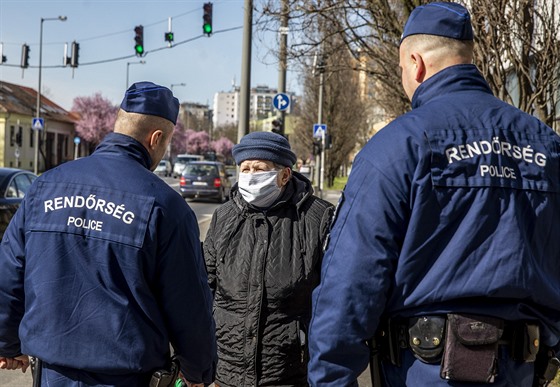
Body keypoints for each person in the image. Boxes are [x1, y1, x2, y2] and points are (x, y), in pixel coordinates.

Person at [308, 2, 560, 386]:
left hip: (425, 371)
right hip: (522, 369)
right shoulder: (546, 146)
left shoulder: (397, 146)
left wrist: (330, 377)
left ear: (416, 63)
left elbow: (352, 279)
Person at [0, 81, 216, 386]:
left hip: (52, 375)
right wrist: (198, 370)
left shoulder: (44, 187)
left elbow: (9, 271)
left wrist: (7, 343)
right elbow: (189, 303)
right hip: (127, 377)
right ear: (156, 138)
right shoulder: (166, 206)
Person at [203, 131, 334, 387]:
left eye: (259, 168)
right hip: (227, 372)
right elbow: (205, 286)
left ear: (284, 175)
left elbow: (334, 299)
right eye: (245, 169)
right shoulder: (224, 217)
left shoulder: (318, 219)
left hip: (290, 373)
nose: (251, 176)